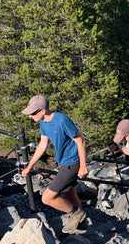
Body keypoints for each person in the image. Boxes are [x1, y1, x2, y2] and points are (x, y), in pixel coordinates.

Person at [21, 95, 88, 234]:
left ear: (43, 110)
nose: (30, 116)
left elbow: (80, 141)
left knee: (47, 198)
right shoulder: (43, 122)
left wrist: (83, 166)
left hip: (72, 163)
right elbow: (42, 144)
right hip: (64, 162)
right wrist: (30, 166)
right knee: (69, 193)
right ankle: (81, 226)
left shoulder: (62, 120)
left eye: (33, 113)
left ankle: (76, 214)